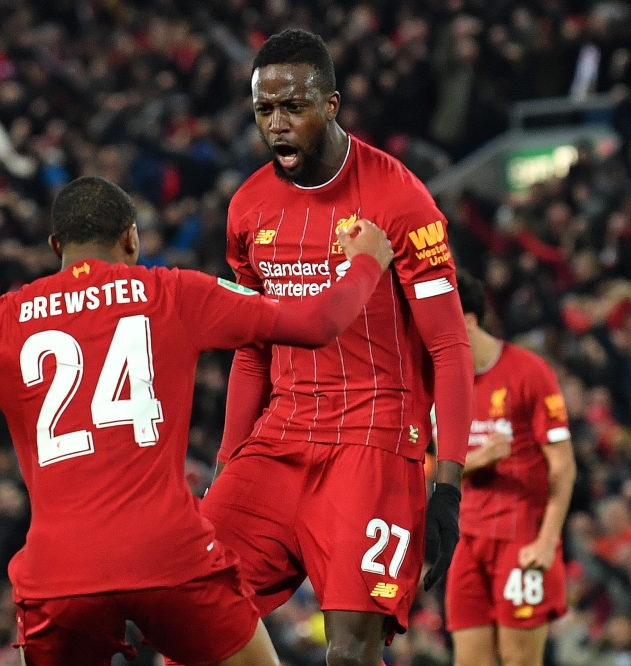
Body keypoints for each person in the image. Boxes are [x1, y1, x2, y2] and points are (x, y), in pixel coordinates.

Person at [0, 175, 396, 666]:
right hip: (170, 556)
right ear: (131, 237)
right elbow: (318, 322)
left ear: (56, 246)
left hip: (60, 572)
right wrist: (367, 261)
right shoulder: (173, 291)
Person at [176, 29, 475, 666]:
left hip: (374, 440)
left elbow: (450, 348)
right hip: (281, 438)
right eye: (265, 110)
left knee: (349, 654)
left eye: (293, 107)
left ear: (331, 105)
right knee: (192, 618)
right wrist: (229, 465)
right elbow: (252, 350)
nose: (277, 124)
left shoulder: (400, 199)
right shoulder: (248, 208)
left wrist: (447, 486)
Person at [444, 272, 576, 666]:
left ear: (469, 321)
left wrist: (546, 541)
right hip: (467, 541)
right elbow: (433, 472)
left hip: (521, 539)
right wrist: (479, 459)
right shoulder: (440, 382)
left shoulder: (528, 372)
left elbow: (564, 466)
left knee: (520, 661)